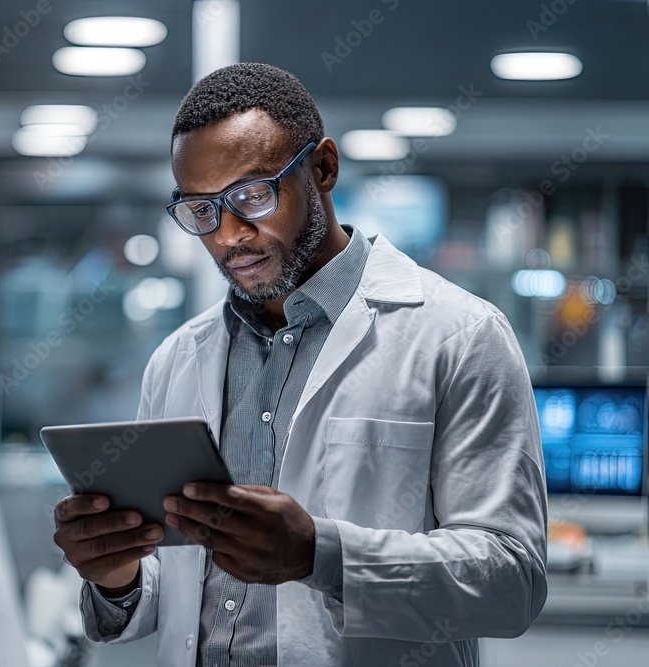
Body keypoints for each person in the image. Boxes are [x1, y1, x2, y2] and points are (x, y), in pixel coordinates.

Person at [53, 62, 547, 666]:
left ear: (323, 168)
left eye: (253, 195)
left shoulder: (459, 336)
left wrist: (320, 555)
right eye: (201, 210)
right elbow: (177, 595)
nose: (229, 235)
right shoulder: (178, 359)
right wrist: (117, 575)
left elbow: (512, 582)